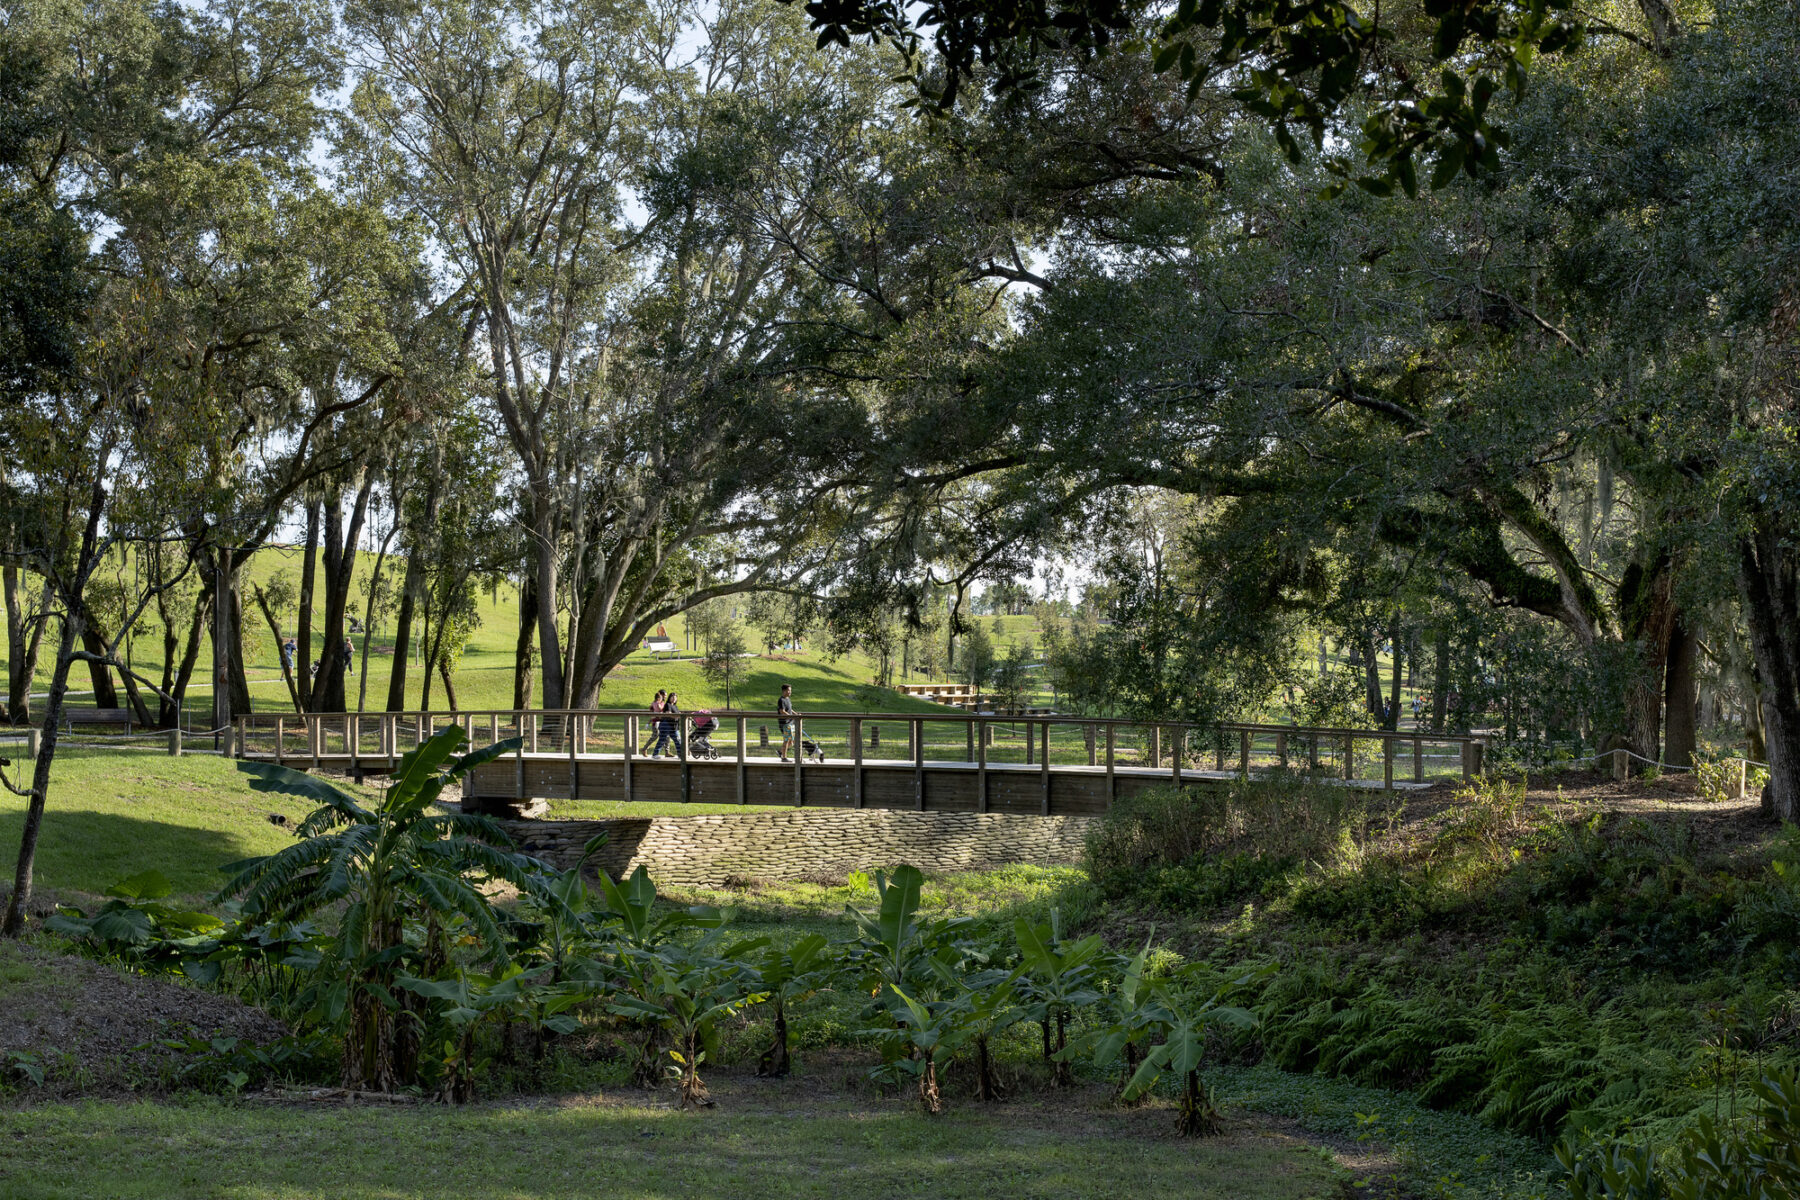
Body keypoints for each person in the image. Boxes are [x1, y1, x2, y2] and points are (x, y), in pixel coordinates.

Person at [777, 683, 798, 761]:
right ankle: (784, 757)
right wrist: (790, 716)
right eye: (789, 690)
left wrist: (796, 714)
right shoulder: (781, 700)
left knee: (791, 742)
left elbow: (789, 709)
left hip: (790, 723)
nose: (790, 692)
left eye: (790, 690)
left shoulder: (788, 699)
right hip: (784, 723)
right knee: (786, 740)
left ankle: (780, 751)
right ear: (784, 691)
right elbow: (782, 711)